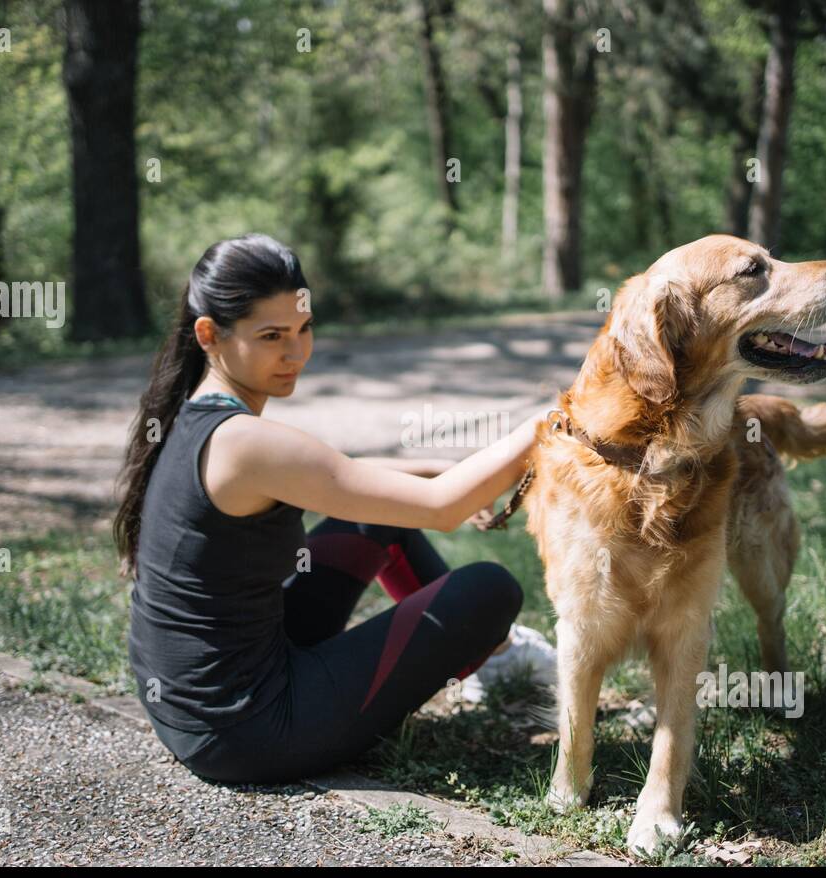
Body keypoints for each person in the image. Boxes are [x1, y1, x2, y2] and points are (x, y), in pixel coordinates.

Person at [113, 233, 556, 785]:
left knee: (372, 513)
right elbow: (441, 509)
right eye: (272, 336)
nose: (296, 353)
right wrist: (548, 424)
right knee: (489, 588)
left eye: (304, 329)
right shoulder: (245, 444)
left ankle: (494, 660)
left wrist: (443, 469)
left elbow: (345, 475)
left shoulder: (198, 415)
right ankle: (494, 656)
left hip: (200, 710)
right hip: (247, 732)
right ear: (210, 335)